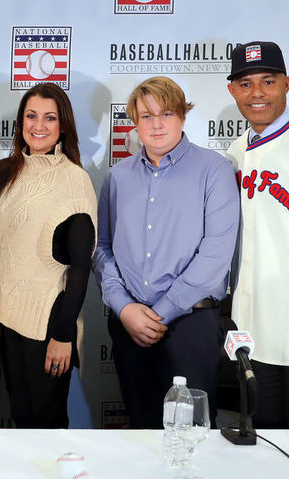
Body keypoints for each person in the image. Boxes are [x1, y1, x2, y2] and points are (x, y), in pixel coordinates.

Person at [93, 76, 240, 428]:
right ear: (135, 122)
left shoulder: (214, 170)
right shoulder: (118, 177)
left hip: (190, 325)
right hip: (129, 327)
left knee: (191, 436)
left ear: (183, 116)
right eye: (146, 116)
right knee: (142, 432)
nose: (156, 124)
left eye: (167, 113)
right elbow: (101, 249)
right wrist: (125, 308)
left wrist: (158, 315)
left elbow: (216, 254)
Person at [0, 83, 97, 428]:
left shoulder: (74, 180)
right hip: (6, 320)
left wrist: (62, 337)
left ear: (63, 125)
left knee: (46, 425)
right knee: (18, 418)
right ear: (20, 123)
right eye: (31, 116)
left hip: (48, 322)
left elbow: (80, 268)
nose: (39, 125)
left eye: (50, 118)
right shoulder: (6, 171)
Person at [226, 41, 289, 428]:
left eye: (268, 81)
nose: (258, 94)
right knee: (265, 442)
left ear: (286, 84)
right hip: (252, 328)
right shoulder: (233, 153)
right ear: (233, 91)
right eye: (246, 84)